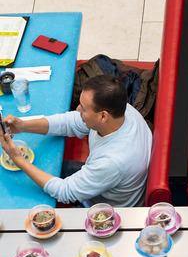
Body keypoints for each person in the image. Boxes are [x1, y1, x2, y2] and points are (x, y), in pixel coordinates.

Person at [0, 74, 152, 207]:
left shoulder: (112, 162)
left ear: (103, 116)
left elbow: (65, 192)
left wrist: (17, 159)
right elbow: (70, 122)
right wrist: (23, 126)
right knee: (43, 165)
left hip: (103, 209)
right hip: (104, 181)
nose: (78, 109)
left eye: (84, 108)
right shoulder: (122, 110)